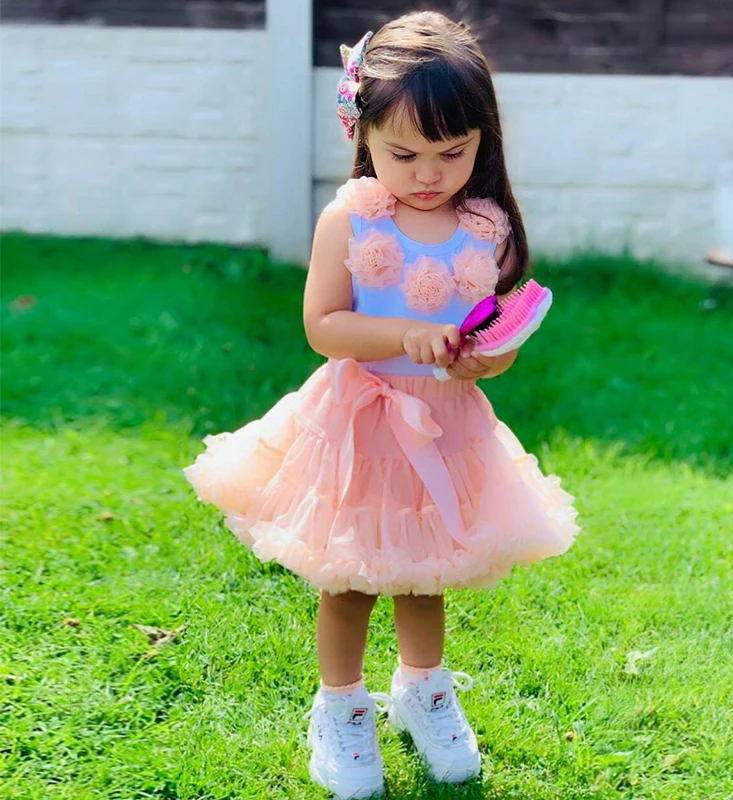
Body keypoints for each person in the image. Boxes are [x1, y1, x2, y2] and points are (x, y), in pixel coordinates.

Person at [183, 11, 579, 799]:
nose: (428, 174)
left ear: (483, 140)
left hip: (444, 425)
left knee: (424, 573)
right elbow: (324, 326)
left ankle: (423, 689)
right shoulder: (352, 219)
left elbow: (489, 331)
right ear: (363, 133)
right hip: (360, 424)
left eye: (452, 153)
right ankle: (340, 706)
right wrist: (405, 332)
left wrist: (487, 359)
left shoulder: (484, 228)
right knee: (351, 576)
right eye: (405, 153)